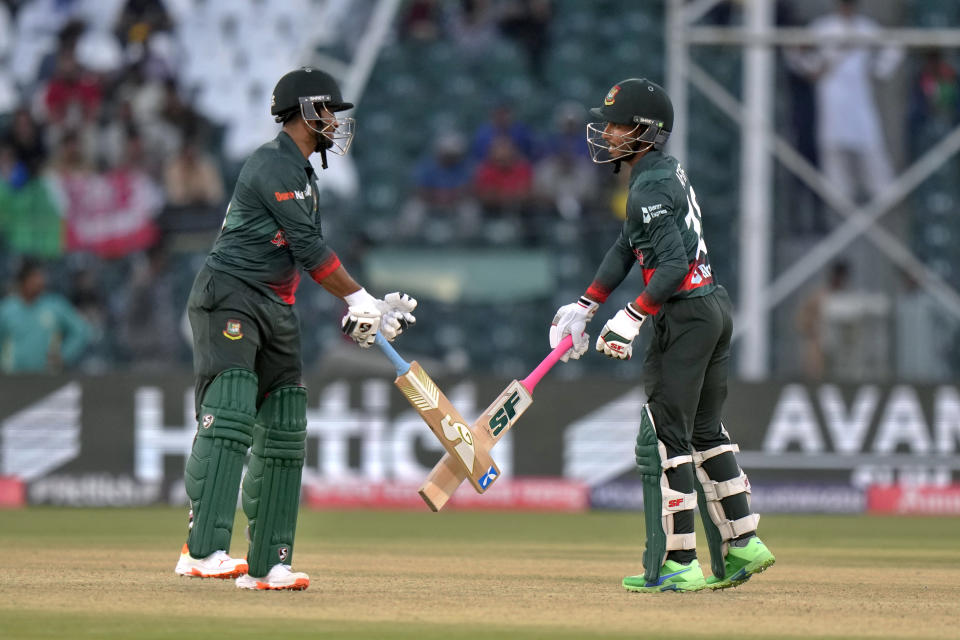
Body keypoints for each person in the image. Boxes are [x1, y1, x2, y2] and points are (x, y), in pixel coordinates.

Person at [173, 67, 418, 591]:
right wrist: (361, 297)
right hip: (230, 296)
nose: (336, 121)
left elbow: (301, 261)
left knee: (285, 428)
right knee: (234, 409)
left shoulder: (305, 176)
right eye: (329, 110)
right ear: (306, 111)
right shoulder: (269, 164)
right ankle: (203, 551)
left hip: (276, 307)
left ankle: (269, 564)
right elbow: (310, 251)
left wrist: (355, 315)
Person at [549, 78, 775, 593]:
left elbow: (671, 264)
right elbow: (627, 247)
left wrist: (633, 314)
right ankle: (743, 546)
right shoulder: (660, 172)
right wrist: (585, 305)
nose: (605, 132)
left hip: (685, 314)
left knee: (667, 437)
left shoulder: (649, 185)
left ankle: (679, 563)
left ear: (645, 132)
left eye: (616, 124)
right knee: (704, 431)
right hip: (712, 306)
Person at [795, 0, 903, 204]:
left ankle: (883, 195)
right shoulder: (823, 27)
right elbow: (795, 50)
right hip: (831, 94)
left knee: (870, 143)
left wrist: (877, 71)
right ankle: (838, 200)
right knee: (832, 148)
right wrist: (813, 68)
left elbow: (894, 48)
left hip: (859, 94)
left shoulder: (866, 27)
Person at [0, 258, 90, 374]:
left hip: (47, 376)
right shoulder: (7, 309)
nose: (39, 282)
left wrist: (65, 355)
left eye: (41, 277)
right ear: (23, 281)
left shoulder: (55, 306)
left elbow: (81, 330)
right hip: (13, 376)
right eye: (34, 278)